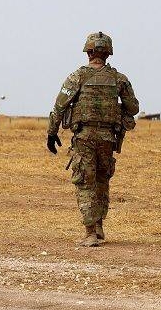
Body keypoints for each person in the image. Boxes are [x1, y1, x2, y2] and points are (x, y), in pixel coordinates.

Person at [47, 32, 139, 247]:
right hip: (108, 137)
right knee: (101, 180)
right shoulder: (119, 79)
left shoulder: (77, 77)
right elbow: (133, 107)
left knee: (84, 182)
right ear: (108, 53)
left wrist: (51, 133)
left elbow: (59, 106)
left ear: (88, 52)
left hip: (84, 137)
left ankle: (90, 232)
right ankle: (99, 227)